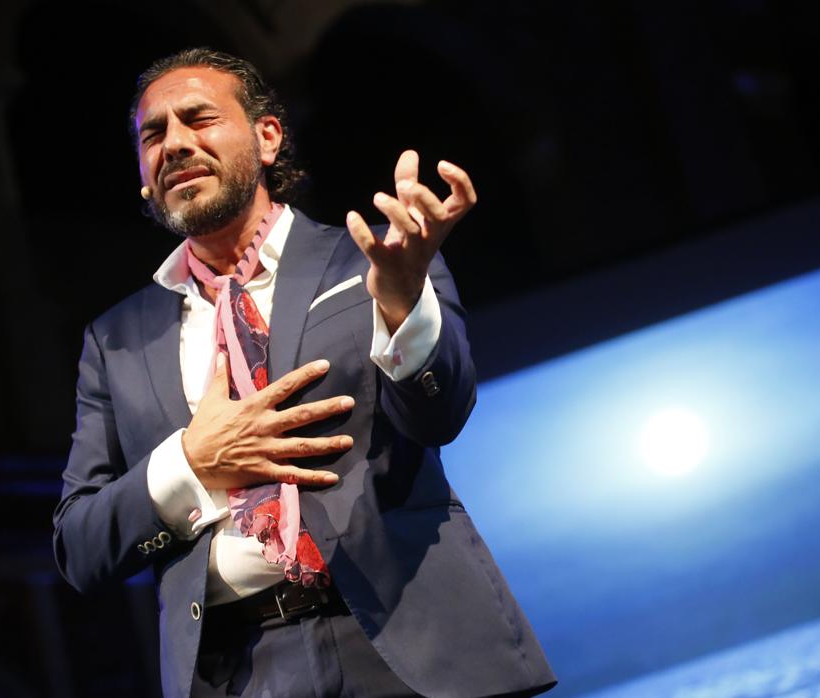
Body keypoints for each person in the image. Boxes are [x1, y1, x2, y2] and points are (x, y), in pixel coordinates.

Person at [52, 47, 556, 698]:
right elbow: (81, 549)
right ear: (145, 179)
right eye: (154, 134)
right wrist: (191, 465)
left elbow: (441, 413)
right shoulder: (116, 339)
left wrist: (403, 304)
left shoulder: (377, 259)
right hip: (238, 670)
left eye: (198, 119)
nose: (174, 143)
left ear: (267, 138)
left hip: (410, 646)